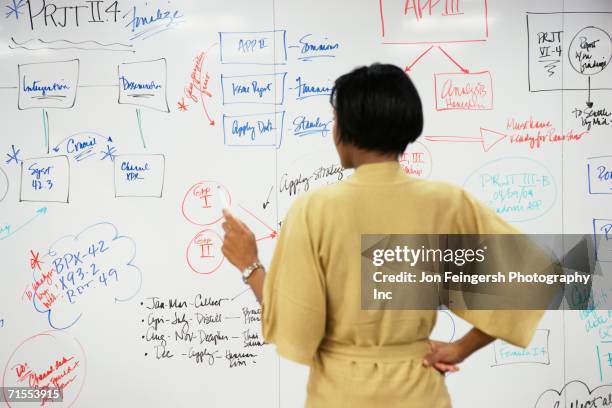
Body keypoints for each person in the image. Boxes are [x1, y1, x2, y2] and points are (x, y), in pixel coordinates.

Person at [221, 63, 544, 407]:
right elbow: (529, 277)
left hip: (340, 394)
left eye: (335, 120)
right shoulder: (447, 202)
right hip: (419, 391)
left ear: (347, 128)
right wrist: (460, 348)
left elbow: (293, 321)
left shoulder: (314, 209)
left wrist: (249, 264)